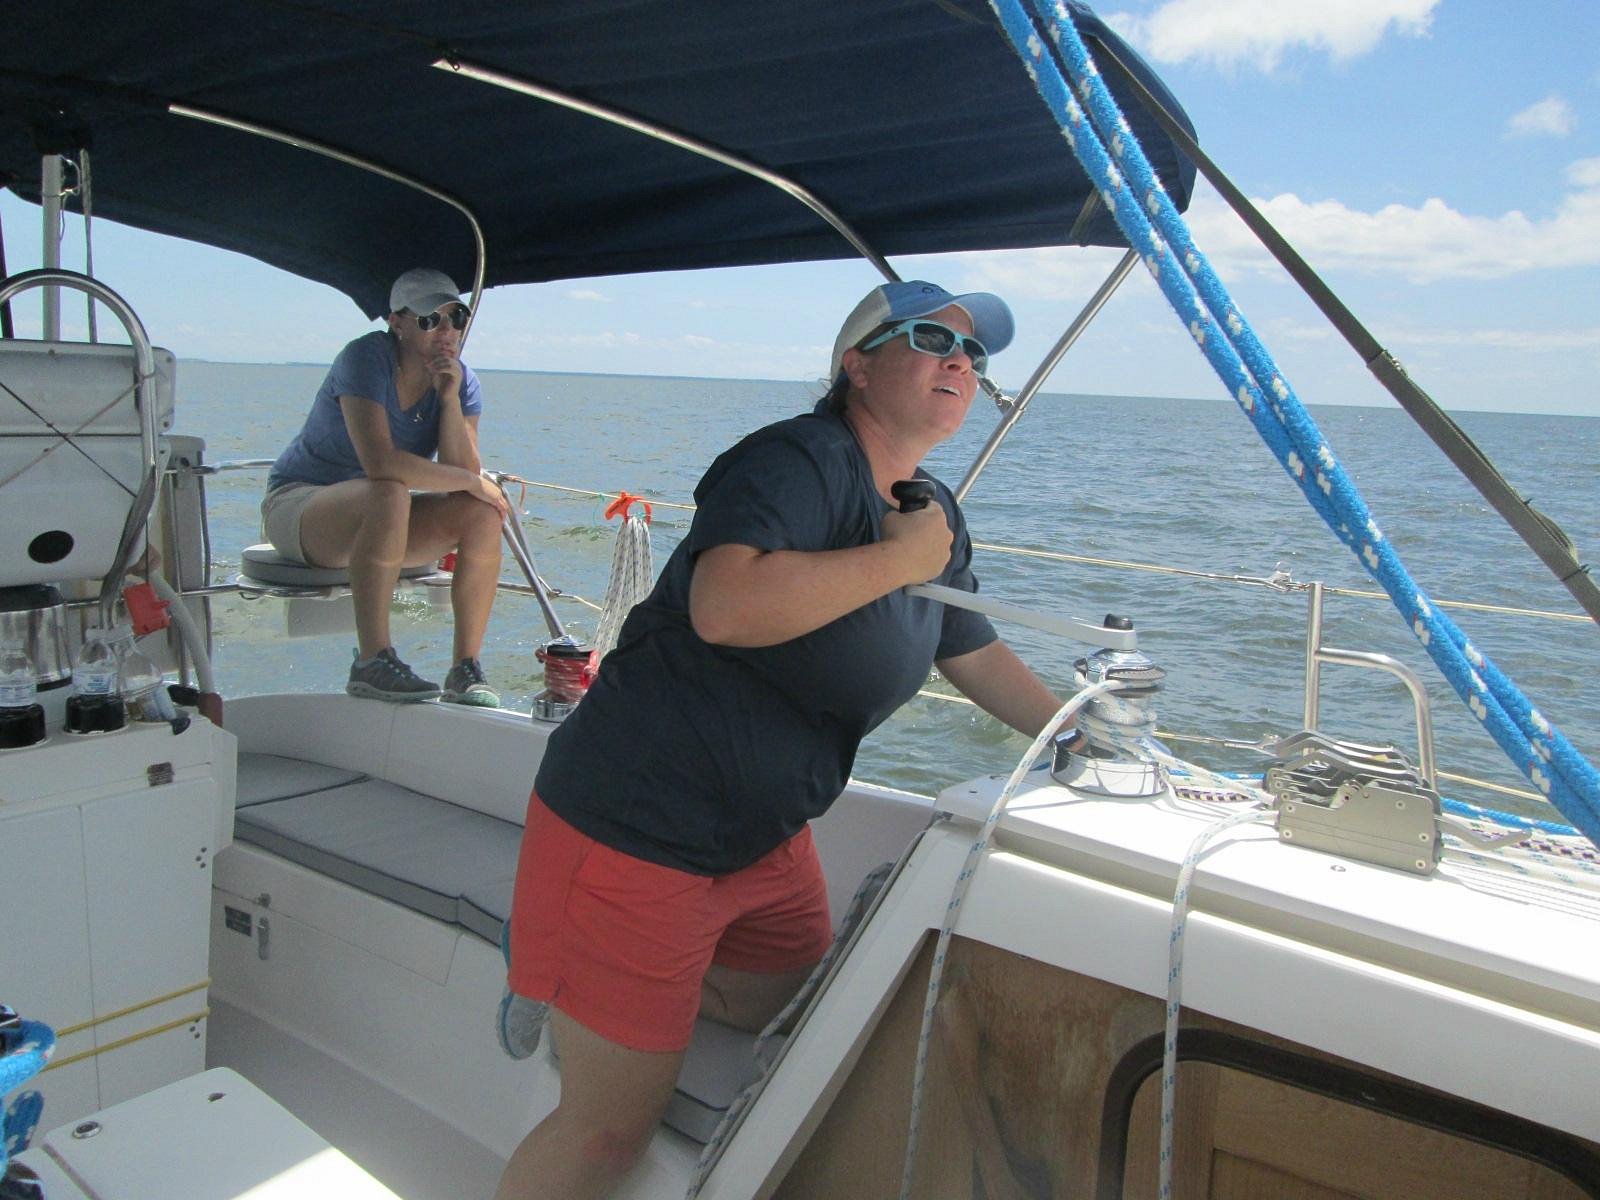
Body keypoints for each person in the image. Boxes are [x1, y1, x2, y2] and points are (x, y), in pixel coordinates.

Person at [495, 280, 1082, 1200]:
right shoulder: (795, 461)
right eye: (929, 338)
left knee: (784, 997)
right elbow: (726, 607)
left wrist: (1077, 731)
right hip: (635, 831)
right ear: (857, 363)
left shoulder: (930, 509)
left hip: (762, 835)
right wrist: (902, 559)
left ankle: (585, 984)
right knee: (606, 1133)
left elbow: (964, 643)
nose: (960, 361)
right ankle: (563, 986)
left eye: (974, 354)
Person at [261, 268, 508, 704]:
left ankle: (465, 669)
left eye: (457, 318)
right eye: (431, 319)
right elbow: (381, 463)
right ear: (397, 322)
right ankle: (373, 661)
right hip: (301, 506)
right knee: (391, 487)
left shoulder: (462, 379)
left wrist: (449, 399)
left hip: (380, 515)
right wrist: (474, 480)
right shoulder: (366, 357)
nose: (447, 330)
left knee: (482, 512)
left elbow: (460, 471)